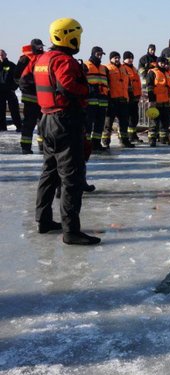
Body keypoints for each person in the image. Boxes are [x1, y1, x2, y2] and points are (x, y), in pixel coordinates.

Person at [33, 17, 100, 245]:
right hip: (64, 120)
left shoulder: (43, 58)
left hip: (47, 119)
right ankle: (71, 231)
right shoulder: (65, 61)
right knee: (71, 177)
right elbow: (69, 87)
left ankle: (43, 220)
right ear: (69, 36)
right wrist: (87, 87)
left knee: (49, 172)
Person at [14, 39, 44, 154]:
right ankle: (26, 147)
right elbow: (17, 77)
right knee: (29, 123)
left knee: (43, 124)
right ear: (33, 47)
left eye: (41, 46)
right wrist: (26, 87)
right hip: (30, 97)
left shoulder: (44, 58)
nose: (41, 48)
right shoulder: (25, 59)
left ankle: (42, 145)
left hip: (43, 97)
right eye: (38, 46)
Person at [102, 51, 134, 148]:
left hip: (123, 100)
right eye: (115, 58)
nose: (117, 59)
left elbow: (128, 84)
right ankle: (106, 141)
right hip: (112, 100)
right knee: (108, 123)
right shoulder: (107, 68)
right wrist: (107, 99)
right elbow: (105, 84)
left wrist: (130, 96)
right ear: (110, 59)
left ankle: (124, 140)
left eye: (118, 58)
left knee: (124, 122)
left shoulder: (124, 69)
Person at [83, 46, 108, 151]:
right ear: (93, 54)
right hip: (91, 99)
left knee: (100, 123)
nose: (100, 56)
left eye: (101, 54)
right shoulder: (85, 65)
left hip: (102, 99)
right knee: (88, 123)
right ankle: (86, 144)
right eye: (98, 54)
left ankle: (96, 144)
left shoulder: (103, 68)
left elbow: (108, 83)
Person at [146, 56, 170, 146]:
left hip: (166, 102)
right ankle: (152, 139)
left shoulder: (167, 73)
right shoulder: (152, 72)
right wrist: (152, 100)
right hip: (156, 102)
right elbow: (150, 87)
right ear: (157, 63)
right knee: (154, 122)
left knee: (165, 122)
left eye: (164, 63)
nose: (163, 64)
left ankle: (163, 138)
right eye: (161, 63)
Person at [122, 51, 142, 142]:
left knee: (135, 118)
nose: (130, 60)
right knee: (128, 118)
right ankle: (128, 135)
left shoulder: (134, 68)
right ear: (124, 59)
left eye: (131, 58)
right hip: (128, 96)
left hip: (135, 96)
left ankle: (133, 135)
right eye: (128, 58)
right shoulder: (123, 68)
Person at [0, 49, 22, 132]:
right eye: (0, 55)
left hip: (10, 91)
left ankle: (19, 126)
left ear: (6, 55)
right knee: (1, 110)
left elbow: (17, 77)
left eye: (2, 54)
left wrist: (14, 87)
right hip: (0, 92)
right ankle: (2, 127)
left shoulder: (11, 65)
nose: (1, 56)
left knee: (14, 110)